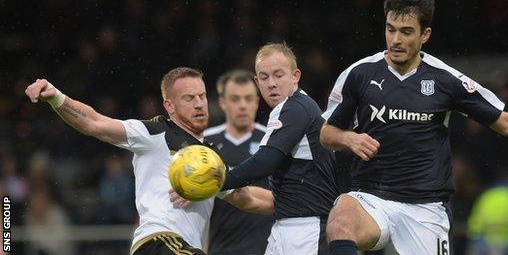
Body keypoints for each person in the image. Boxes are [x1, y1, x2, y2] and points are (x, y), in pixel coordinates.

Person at [319, 0, 508, 254]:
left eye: (406, 31)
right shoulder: (359, 74)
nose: (395, 40)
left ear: (425, 35)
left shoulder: (446, 80)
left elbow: (507, 123)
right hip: (371, 198)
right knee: (340, 221)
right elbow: (326, 132)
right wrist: (348, 139)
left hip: (424, 207)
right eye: (390, 29)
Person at [24, 67, 274, 255]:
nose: (199, 104)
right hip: (158, 242)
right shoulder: (156, 133)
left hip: (185, 247)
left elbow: (249, 199)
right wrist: (56, 97)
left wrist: (303, 201)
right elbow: (94, 123)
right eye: (189, 98)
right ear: (170, 105)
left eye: (202, 96)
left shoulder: (210, 161)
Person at [207, 43, 338, 255]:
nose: (272, 84)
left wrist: (216, 181)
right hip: (288, 226)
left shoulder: (296, 107)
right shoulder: (294, 107)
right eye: (264, 77)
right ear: (257, 82)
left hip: (306, 229)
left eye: (279, 75)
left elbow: (265, 161)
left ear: (295, 76)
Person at [203, 69, 274, 254]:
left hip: (267, 249)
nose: (242, 105)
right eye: (235, 99)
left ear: (257, 102)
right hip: (220, 248)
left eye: (248, 98)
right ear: (222, 103)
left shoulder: (273, 141)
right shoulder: (204, 146)